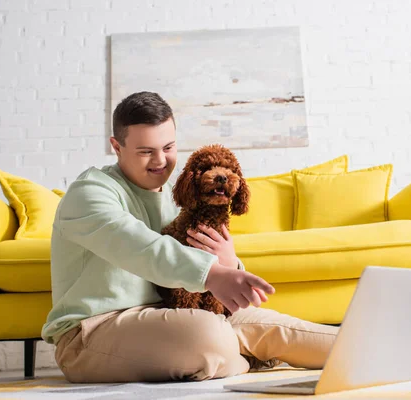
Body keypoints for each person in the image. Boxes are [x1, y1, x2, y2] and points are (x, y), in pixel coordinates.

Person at [41, 91, 340, 383]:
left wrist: (229, 262)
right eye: (146, 151)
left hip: (178, 315)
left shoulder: (179, 197)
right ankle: (242, 357)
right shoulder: (90, 192)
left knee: (284, 330)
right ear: (116, 147)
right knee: (209, 335)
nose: (160, 161)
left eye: (168, 147)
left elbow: (211, 267)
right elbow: (138, 245)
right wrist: (211, 273)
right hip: (93, 332)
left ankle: (380, 348)